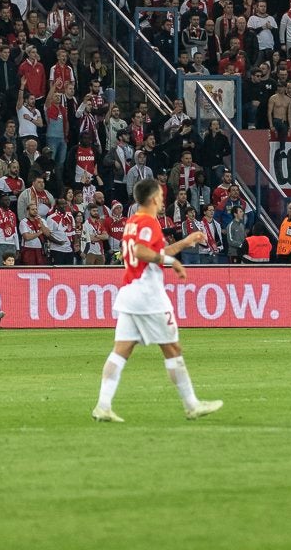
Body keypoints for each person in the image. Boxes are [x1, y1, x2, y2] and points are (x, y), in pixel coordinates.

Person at [91, 178, 223, 423]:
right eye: (161, 197)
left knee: (121, 350)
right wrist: (173, 262)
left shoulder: (132, 222)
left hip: (130, 292)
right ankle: (192, 404)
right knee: (172, 348)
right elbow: (142, 252)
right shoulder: (148, 221)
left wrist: (184, 243)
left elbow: (153, 253)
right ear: (152, 199)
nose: (163, 200)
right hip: (147, 295)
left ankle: (103, 405)